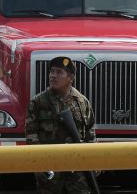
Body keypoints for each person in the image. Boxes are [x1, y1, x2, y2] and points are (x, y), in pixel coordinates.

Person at [25, 56, 96, 194]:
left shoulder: (82, 102)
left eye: (59, 72)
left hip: (77, 170)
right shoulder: (39, 102)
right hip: (50, 169)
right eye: (52, 72)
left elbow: (90, 135)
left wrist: (92, 162)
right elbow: (31, 137)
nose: (53, 76)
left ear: (70, 78)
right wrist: (42, 166)